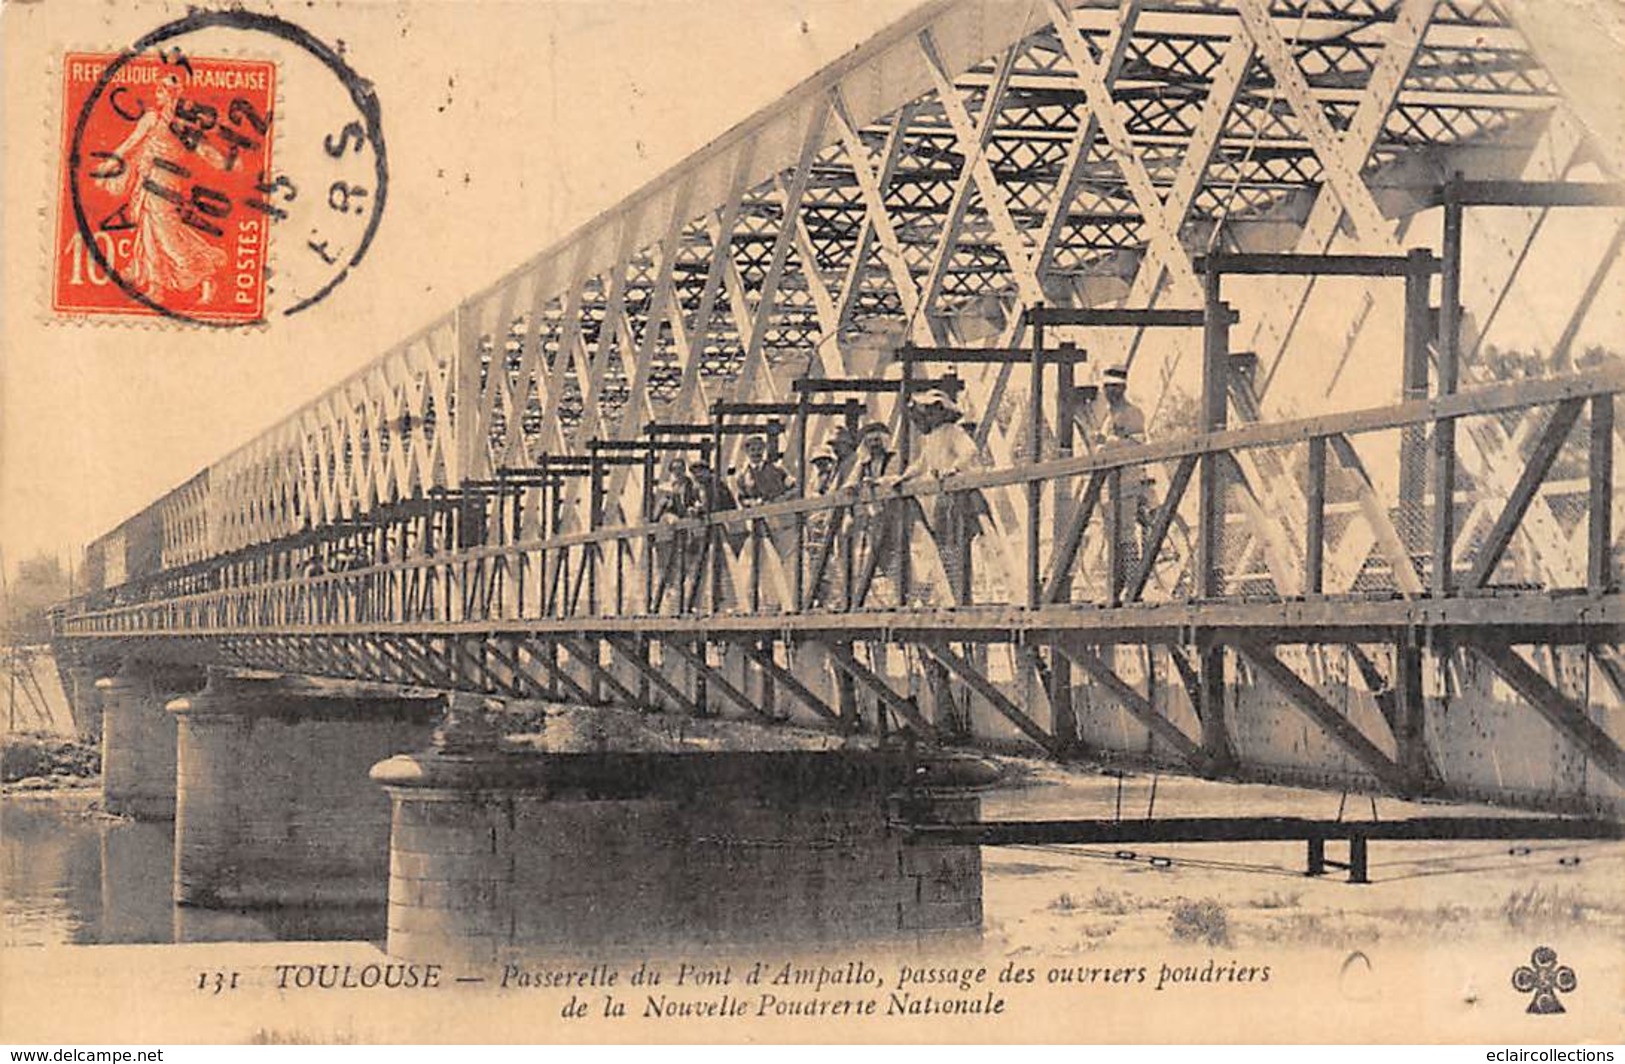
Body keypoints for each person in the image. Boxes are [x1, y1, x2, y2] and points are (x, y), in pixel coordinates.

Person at [733, 435, 796, 506]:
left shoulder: (777, 469)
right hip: (758, 514)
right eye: (752, 450)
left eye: (759, 449)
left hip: (780, 511)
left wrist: (782, 499)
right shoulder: (742, 476)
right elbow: (742, 499)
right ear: (747, 452)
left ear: (763, 450)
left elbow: (794, 487)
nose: (756, 453)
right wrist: (754, 502)